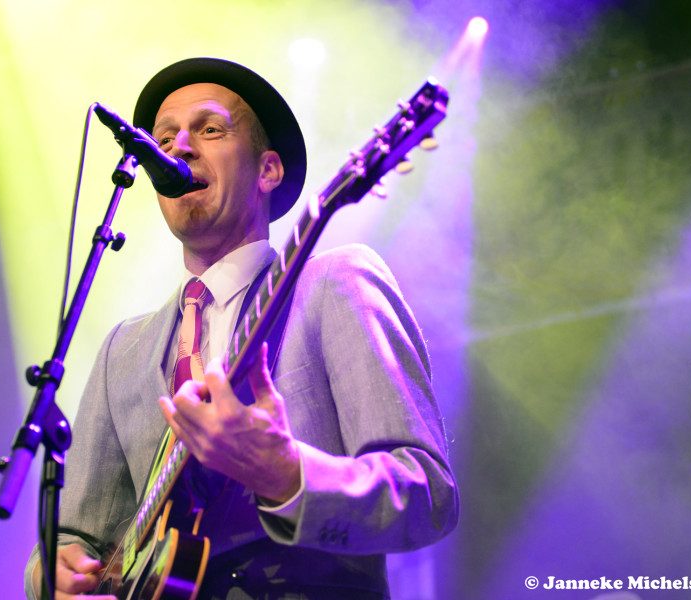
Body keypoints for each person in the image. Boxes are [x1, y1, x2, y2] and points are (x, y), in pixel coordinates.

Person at [25, 57, 459, 600]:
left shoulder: (335, 283)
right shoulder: (123, 350)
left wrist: (286, 473)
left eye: (209, 129)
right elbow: (77, 534)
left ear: (268, 170)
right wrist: (51, 574)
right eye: (164, 139)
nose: (180, 148)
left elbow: (426, 494)